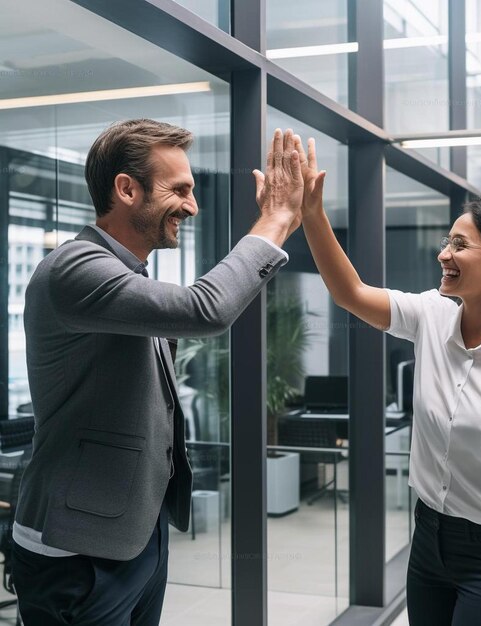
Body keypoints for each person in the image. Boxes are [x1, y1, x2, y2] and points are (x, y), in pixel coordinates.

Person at [11, 119, 304, 625]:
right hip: (76, 548)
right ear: (126, 189)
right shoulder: (76, 267)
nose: (192, 206)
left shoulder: (128, 275)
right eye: (180, 190)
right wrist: (275, 219)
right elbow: (204, 310)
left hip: (135, 533)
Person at [291, 136, 481, 626]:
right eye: (446, 241)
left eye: (460, 244)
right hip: (428, 543)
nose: (444, 254)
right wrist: (312, 215)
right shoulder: (431, 316)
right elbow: (350, 292)